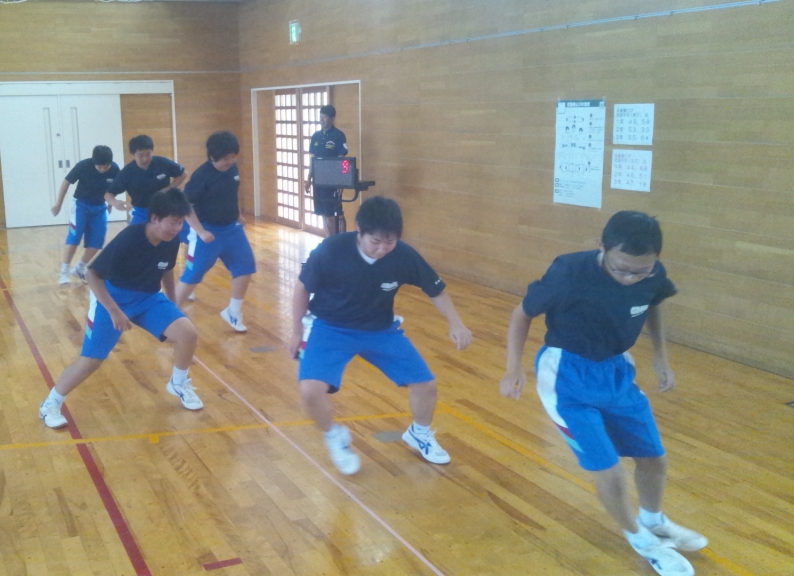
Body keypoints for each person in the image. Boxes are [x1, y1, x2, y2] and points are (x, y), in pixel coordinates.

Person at [498, 211, 707, 576]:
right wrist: (513, 368)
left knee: (654, 458)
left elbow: (653, 302)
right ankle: (641, 540)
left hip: (616, 372)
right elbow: (521, 314)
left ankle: (654, 521)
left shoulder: (652, 274)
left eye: (640, 271)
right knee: (608, 469)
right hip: (566, 377)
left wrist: (660, 355)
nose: (630, 278)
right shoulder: (568, 272)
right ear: (601, 247)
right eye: (621, 268)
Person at [286, 196, 473, 475]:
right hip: (331, 328)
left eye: (390, 242)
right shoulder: (331, 250)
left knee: (426, 385)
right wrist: (296, 330)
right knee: (310, 390)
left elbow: (437, 291)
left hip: (380, 330)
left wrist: (456, 323)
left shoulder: (404, 255)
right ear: (359, 231)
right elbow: (302, 288)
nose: (383, 248)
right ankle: (334, 435)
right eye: (375, 241)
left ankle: (419, 433)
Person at [38, 188, 203, 429]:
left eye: (181, 223)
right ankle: (50, 403)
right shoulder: (130, 238)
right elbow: (92, 274)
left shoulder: (171, 241)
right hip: (112, 297)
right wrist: (114, 310)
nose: (177, 228)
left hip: (148, 298)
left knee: (187, 333)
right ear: (155, 218)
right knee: (91, 359)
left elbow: (167, 270)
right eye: (173, 222)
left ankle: (178, 383)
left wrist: (173, 304)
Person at [174, 131, 256, 332]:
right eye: (225, 158)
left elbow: (231, 193)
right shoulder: (201, 176)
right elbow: (185, 205)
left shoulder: (232, 169)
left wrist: (237, 215)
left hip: (232, 230)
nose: (230, 161)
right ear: (212, 157)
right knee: (193, 275)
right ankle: (169, 315)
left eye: (233, 157)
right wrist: (200, 231)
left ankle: (233, 312)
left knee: (245, 268)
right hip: (207, 232)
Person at [53, 145, 120, 285]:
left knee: (97, 241)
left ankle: (80, 268)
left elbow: (113, 189)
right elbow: (66, 183)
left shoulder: (114, 169)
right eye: (99, 166)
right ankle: (64, 271)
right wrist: (58, 204)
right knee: (75, 237)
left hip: (100, 208)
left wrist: (109, 205)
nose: (103, 169)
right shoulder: (83, 166)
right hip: (80, 206)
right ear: (94, 161)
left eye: (106, 166)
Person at [105, 135, 186, 227]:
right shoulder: (127, 172)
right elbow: (108, 194)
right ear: (133, 154)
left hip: (166, 208)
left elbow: (183, 174)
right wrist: (114, 202)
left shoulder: (162, 163)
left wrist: (169, 188)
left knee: (175, 230)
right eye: (140, 155)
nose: (145, 159)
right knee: (134, 233)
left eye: (148, 154)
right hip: (141, 211)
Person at [307, 105, 348, 236]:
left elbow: (343, 160)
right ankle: (328, 239)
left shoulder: (338, 135)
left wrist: (342, 181)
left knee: (334, 213)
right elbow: (312, 160)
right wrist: (308, 179)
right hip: (318, 180)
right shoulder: (316, 136)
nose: (322, 120)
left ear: (332, 118)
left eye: (324, 117)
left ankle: (338, 239)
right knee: (323, 212)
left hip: (332, 181)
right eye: (320, 117)